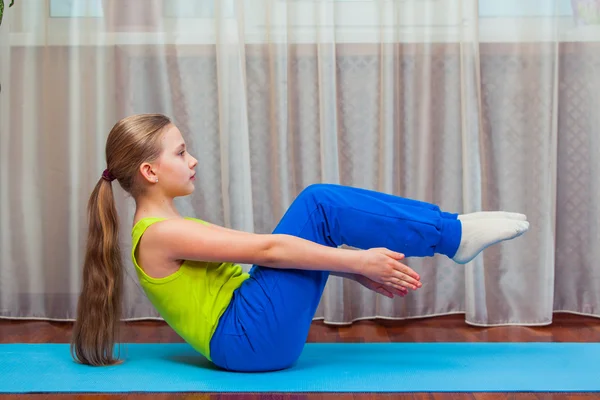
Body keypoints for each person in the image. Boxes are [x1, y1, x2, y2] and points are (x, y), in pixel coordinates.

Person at [70, 114, 529, 372]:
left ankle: (454, 233)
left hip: (249, 332)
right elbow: (270, 252)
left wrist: (353, 265)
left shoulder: (167, 225)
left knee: (320, 213)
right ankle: (454, 234)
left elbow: (266, 246)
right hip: (247, 341)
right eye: (180, 152)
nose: (193, 161)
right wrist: (361, 263)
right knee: (319, 204)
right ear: (149, 172)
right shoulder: (161, 234)